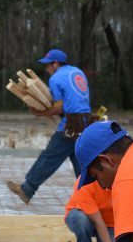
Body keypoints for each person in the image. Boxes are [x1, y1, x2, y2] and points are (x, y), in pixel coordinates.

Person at [7, 49, 92, 204]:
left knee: (50, 157)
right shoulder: (77, 72)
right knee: (80, 162)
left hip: (72, 123)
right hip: (87, 121)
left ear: (56, 63)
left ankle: (27, 190)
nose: (46, 69)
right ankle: (92, 196)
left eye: (48, 65)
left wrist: (40, 113)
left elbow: (59, 107)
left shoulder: (56, 78)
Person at [65, 177, 123, 242]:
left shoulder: (124, 182)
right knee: (81, 220)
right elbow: (98, 221)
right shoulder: (85, 182)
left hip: (110, 224)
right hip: (85, 218)